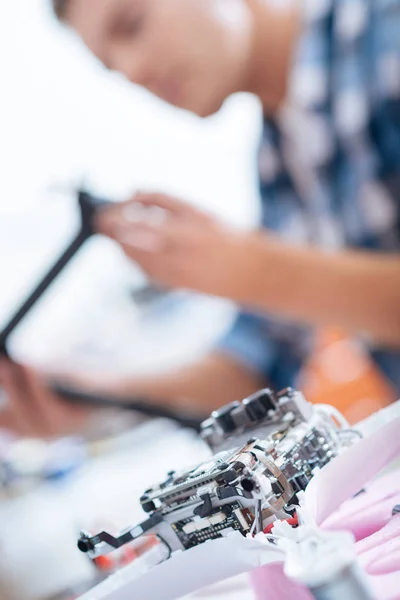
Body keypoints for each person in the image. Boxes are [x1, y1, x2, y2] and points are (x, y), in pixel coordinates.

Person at [0, 0, 399, 438]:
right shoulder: (281, 162)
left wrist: (254, 270)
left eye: (132, 25)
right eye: (112, 68)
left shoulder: (384, 30)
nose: (132, 70)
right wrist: (99, 396)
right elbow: (253, 370)